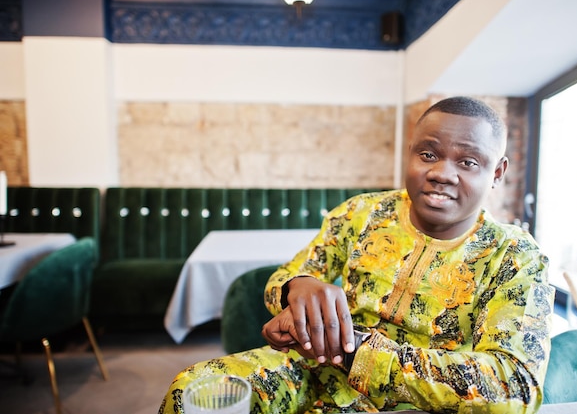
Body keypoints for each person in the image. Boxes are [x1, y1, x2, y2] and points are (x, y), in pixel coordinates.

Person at [159, 96, 554, 414]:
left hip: (414, 404)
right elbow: (285, 278)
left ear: (498, 173)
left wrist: (358, 352)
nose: (442, 173)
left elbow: (515, 388)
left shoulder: (515, 257)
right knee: (191, 392)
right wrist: (298, 291)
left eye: (468, 162)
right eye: (428, 155)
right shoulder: (363, 212)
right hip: (315, 374)